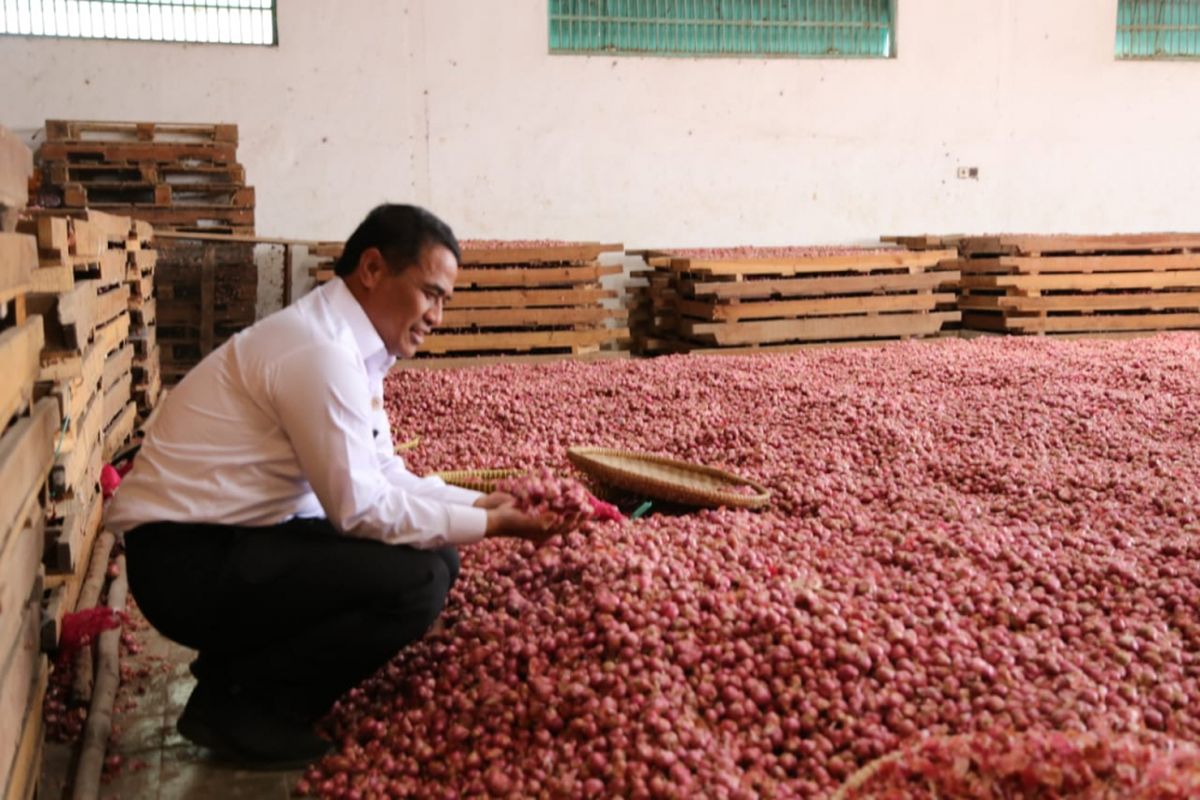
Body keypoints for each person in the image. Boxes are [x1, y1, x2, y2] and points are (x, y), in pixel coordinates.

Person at [106, 204, 559, 768]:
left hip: (228, 541)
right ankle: (243, 706)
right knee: (414, 579)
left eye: (445, 300)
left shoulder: (350, 347)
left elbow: (383, 472)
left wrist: (479, 505)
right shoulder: (319, 351)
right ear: (372, 269)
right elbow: (359, 509)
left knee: (440, 557)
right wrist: (493, 525)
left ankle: (237, 673)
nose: (437, 316)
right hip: (184, 562)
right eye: (430, 294)